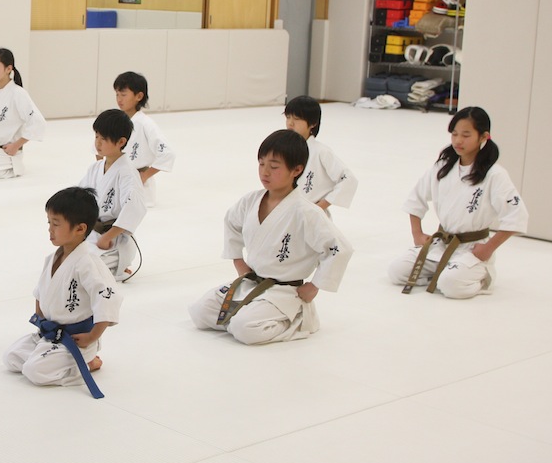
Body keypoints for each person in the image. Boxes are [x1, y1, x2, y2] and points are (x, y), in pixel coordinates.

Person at [189, 129, 352, 345]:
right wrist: (238, 260)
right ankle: (247, 316)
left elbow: (339, 248)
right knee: (200, 313)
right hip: (251, 282)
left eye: (274, 167)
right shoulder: (250, 201)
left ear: (297, 170)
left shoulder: (306, 212)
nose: (265, 172)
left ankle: (298, 318)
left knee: (244, 329)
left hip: (285, 291)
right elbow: (231, 222)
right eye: (261, 164)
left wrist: (314, 286)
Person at [386, 107, 528, 298]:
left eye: (466, 135)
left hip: (472, 249)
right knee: (397, 271)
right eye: (454, 134)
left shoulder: (495, 175)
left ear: (483, 137)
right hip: (441, 244)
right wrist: (417, 233)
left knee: (452, 286)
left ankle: (477, 278)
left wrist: (488, 249)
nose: (458, 141)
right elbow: (415, 199)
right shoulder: (442, 167)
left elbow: (517, 215)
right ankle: (443, 274)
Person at [3, 187, 121, 397]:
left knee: (35, 372)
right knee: (11, 358)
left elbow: (108, 299)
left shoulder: (88, 263)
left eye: (56, 224)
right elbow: (40, 292)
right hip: (49, 333)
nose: (50, 230)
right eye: (49, 223)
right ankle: (53, 358)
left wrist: (92, 336)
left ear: (80, 228)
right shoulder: (52, 259)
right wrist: (41, 318)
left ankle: (86, 362)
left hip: (76, 338)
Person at [77, 109, 145, 280]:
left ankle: (118, 266)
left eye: (104, 139)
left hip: (114, 241)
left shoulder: (128, 173)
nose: (98, 143)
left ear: (121, 141)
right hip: (92, 233)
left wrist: (107, 237)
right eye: (96, 137)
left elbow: (134, 210)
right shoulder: (95, 168)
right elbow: (80, 197)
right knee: (66, 260)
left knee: (85, 270)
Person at [0, 48, 46, 181]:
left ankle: (11, 168)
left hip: (7, 152)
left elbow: (37, 122)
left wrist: (16, 145)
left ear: (8, 69)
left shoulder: (18, 93)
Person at [282, 95, 358, 212]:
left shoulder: (321, 152)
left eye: (296, 118)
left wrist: (320, 206)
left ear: (313, 123)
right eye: (288, 117)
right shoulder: (283, 148)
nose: (290, 123)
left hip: (311, 215)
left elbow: (348, 179)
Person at [113, 71, 175, 206]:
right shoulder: (114, 120)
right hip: (116, 181)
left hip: (140, 186)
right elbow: (98, 148)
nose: (119, 99)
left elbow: (167, 153)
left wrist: (144, 176)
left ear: (139, 96)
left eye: (123, 94)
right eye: (117, 94)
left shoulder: (146, 124)